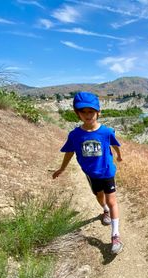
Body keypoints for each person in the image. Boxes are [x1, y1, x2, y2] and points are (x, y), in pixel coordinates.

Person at [52, 91, 123, 254]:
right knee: (99, 197)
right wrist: (62, 168)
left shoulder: (106, 132)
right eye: (83, 112)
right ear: (77, 113)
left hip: (107, 172)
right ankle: (104, 210)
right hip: (91, 174)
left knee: (112, 201)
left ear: (98, 112)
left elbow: (115, 144)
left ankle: (115, 235)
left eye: (91, 111)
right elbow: (69, 152)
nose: (87, 115)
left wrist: (119, 156)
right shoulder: (75, 135)